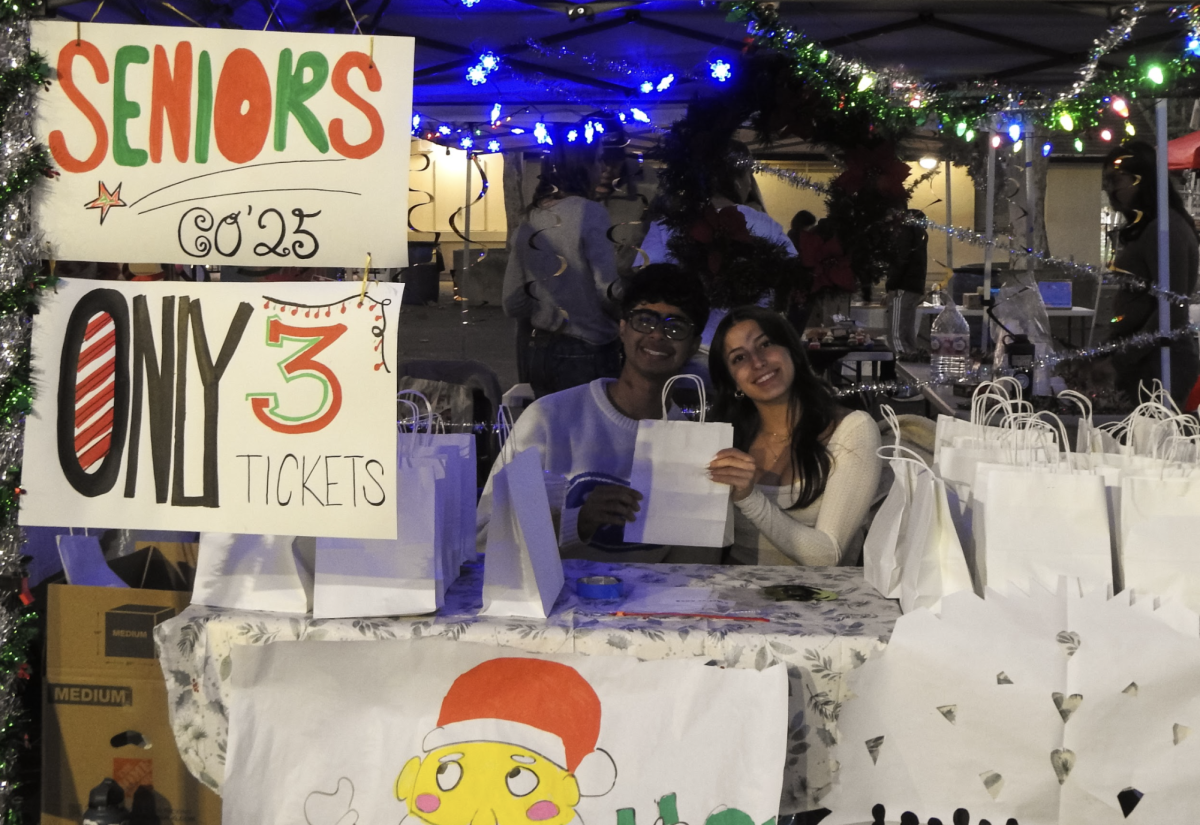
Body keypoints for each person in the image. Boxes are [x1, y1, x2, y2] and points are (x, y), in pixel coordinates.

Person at [478, 263, 713, 563]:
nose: (657, 336)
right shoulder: (551, 418)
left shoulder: (692, 444)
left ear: (693, 346)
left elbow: (693, 571)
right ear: (623, 328)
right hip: (556, 604)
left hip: (648, 606)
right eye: (645, 321)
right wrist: (579, 521)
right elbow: (485, 539)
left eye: (675, 327)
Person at [707, 306, 882, 565]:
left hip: (817, 600)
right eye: (739, 358)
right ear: (733, 381)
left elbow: (829, 555)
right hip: (732, 597)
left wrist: (749, 497)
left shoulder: (852, 429)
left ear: (790, 348)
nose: (758, 362)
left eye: (765, 344)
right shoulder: (725, 436)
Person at [640, 141, 796, 348]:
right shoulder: (765, 225)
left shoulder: (666, 225)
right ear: (738, 179)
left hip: (683, 344)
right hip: (751, 344)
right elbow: (794, 279)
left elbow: (646, 284)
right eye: (749, 175)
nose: (750, 184)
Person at [503, 128, 621, 398]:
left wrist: (547, 307)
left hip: (538, 351)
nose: (603, 166)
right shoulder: (591, 212)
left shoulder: (530, 217)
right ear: (583, 165)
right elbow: (607, 290)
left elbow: (512, 302)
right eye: (598, 159)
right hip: (587, 350)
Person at [1101, 141, 1200, 409]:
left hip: (1159, 361)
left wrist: (1123, 357)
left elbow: (1171, 309)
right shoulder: (1152, 227)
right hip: (1143, 357)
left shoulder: (1165, 230)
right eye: (1107, 181)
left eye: (1116, 179)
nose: (1110, 189)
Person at [884, 209, 929, 356]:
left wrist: (891, 285)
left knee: (896, 335)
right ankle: (913, 362)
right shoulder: (920, 235)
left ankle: (902, 367)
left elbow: (900, 261)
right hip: (915, 287)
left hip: (902, 287)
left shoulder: (905, 233)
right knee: (908, 334)